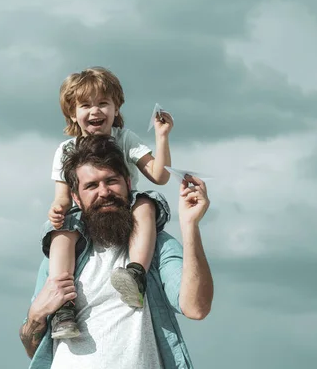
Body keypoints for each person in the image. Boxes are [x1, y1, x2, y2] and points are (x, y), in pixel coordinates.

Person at [20, 135, 214, 369]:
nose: (104, 192)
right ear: (76, 198)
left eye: (111, 181)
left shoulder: (157, 247)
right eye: (91, 186)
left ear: (128, 184)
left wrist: (190, 225)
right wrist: (36, 315)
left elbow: (196, 308)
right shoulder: (63, 254)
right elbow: (33, 348)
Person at [45, 67, 174, 339]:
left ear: (116, 108)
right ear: (72, 113)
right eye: (86, 105)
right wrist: (57, 211)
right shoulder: (66, 150)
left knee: (146, 202)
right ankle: (63, 307)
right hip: (87, 213)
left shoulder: (125, 139)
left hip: (124, 208)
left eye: (103, 103)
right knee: (60, 230)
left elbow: (159, 176)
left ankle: (135, 274)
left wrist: (162, 137)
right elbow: (62, 197)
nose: (95, 111)